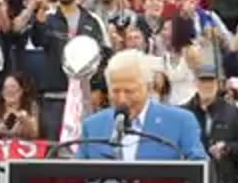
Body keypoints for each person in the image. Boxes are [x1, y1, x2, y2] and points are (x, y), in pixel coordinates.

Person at [74, 49, 206, 161]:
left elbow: (201, 173)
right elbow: (76, 182)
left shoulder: (180, 123)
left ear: (148, 87)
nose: (122, 99)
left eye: (129, 91)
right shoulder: (92, 127)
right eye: (115, 91)